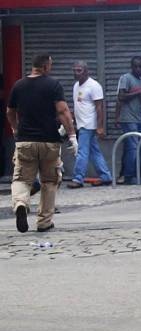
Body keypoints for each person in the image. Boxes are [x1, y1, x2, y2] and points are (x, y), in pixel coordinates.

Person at [7, 53, 77, 233]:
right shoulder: (53, 85)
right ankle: (44, 221)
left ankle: (21, 203)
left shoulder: (18, 85)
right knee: (50, 181)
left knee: (21, 178)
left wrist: (15, 128)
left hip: (25, 141)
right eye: (50, 66)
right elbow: (62, 111)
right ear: (45, 67)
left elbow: (10, 111)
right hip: (49, 141)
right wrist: (72, 135)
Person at [68, 60, 112, 188]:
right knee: (94, 151)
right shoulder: (76, 86)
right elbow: (78, 105)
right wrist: (74, 121)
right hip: (81, 123)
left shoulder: (94, 86)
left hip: (89, 124)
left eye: (79, 70)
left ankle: (78, 178)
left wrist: (100, 126)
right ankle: (105, 176)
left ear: (86, 71)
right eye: (74, 71)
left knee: (82, 151)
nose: (76, 73)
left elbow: (99, 107)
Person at [115, 56, 141, 185]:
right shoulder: (126, 78)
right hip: (128, 118)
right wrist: (138, 93)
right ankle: (128, 176)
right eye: (135, 66)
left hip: (140, 118)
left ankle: (135, 172)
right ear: (131, 67)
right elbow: (121, 96)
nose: (138, 69)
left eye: (140, 66)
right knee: (132, 147)